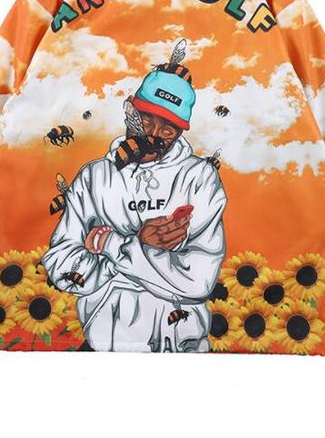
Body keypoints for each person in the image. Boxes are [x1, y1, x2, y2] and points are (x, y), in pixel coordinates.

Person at [41, 58, 227, 352]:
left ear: (181, 132)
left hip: (184, 347)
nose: (153, 135)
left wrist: (108, 244)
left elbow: (198, 282)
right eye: (146, 120)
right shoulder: (94, 177)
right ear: (130, 109)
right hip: (102, 345)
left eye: (168, 129)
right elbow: (60, 265)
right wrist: (142, 247)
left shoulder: (199, 178)